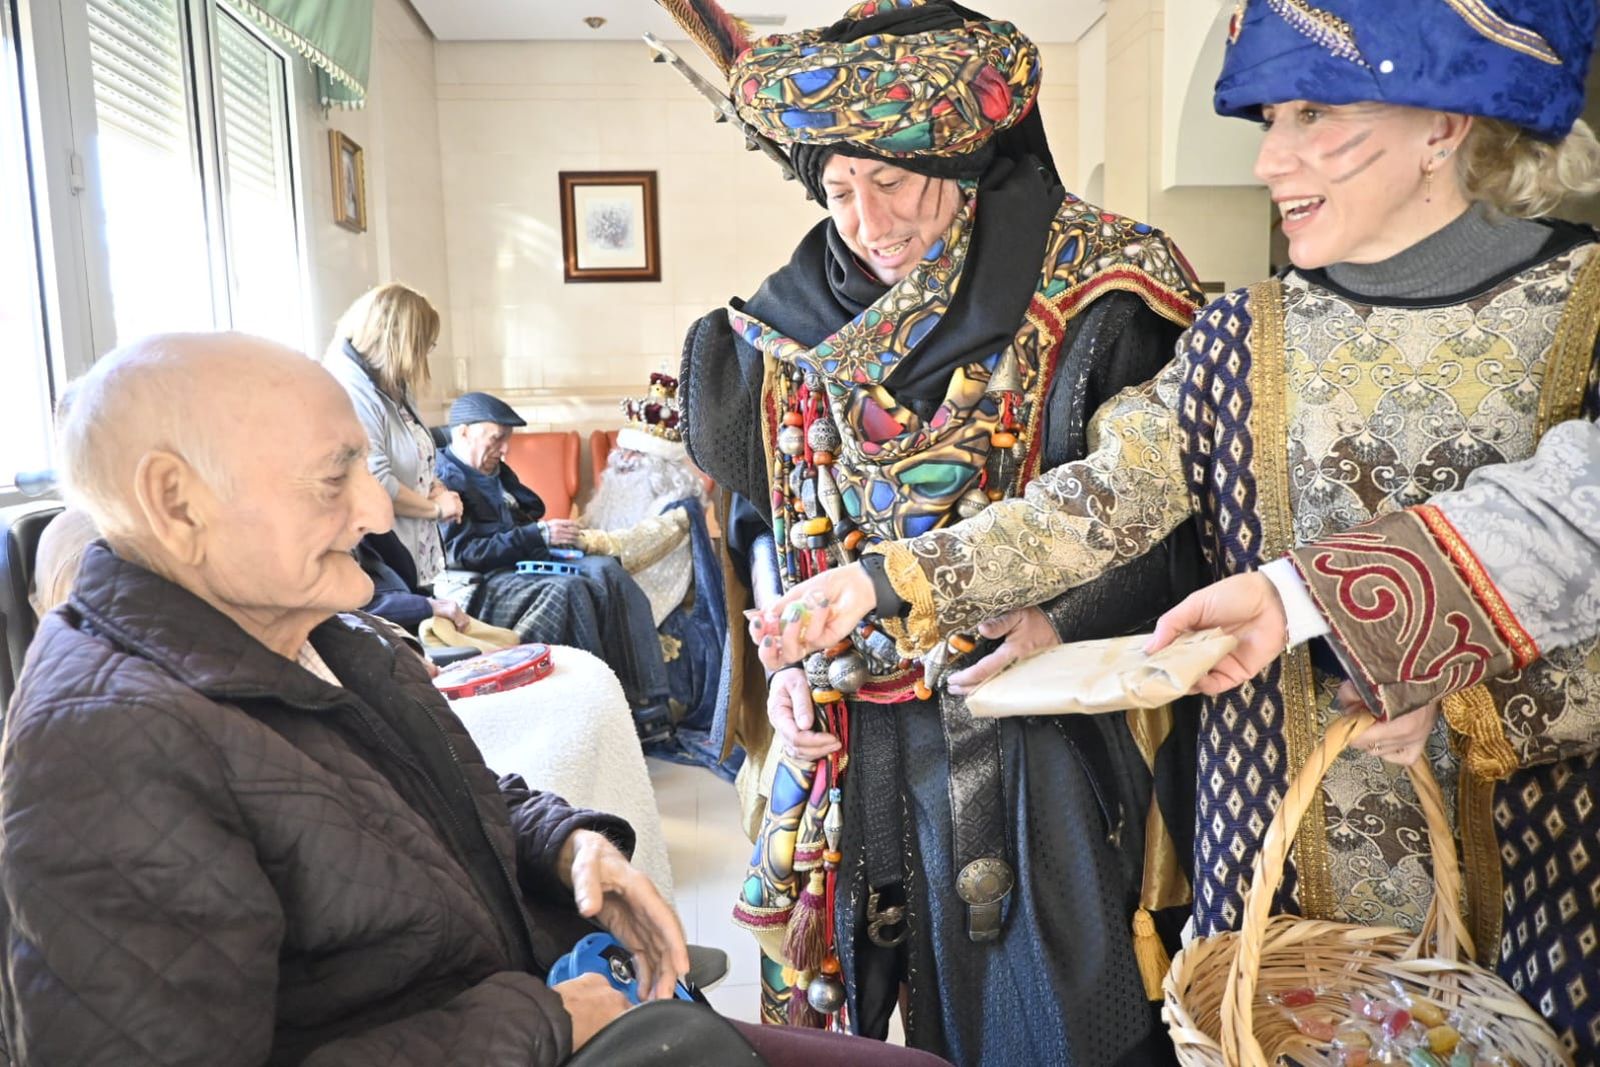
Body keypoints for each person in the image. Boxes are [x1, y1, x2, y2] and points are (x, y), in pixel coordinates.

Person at [757, 1, 1600, 1055]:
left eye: (1312, 114)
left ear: (1445, 123)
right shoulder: (1240, 330)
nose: (1267, 161)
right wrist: (889, 579)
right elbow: (1109, 492)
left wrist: (1474, 693)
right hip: (1268, 846)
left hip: (1519, 848)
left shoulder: (1585, 309)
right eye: (1266, 122)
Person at [0, 331, 952, 1067]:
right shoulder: (101, 752)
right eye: (336, 480)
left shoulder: (322, 629)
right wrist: (542, 1020)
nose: (378, 517)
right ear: (175, 501)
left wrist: (572, 843)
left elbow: (460, 793)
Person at [672, 0, 1208, 1060]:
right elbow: (770, 519)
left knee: (1051, 998)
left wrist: (1063, 621)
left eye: (894, 182)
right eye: (837, 187)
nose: (866, 222)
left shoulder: (1100, 290)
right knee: (864, 998)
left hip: (1031, 716)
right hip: (851, 724)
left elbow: (1163, 507)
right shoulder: (777, 324)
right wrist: (788, 650)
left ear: (964, 166)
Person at [1146, 417, 1600, 727]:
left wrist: (1297, 595)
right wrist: (1287, 599)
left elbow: (1578, 512)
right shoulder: (1231, 329)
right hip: (1256, 739)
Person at [434, 391, 676, 742]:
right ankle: (597, 714)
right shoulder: (446, 478)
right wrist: (537, 534)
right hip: (478, 584)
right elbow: (463, 553)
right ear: (464, 432)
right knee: (572, 589)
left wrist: (534, 527)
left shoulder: (493, 470)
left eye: (507, 440)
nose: (504, 450)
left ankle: (647, 700)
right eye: (496, 439)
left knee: (605, 569)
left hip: (515, 567)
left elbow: (529, 510)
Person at [581, 373, 739, 778]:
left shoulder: (678, 508)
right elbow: (595, 526)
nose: (622, 462)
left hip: (667, 612)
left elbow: (634, 546)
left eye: (635, 458)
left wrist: (586, 542)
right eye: (623, 454)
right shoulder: (612, 498)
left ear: (658, 466)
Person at [323, 283, 462, 587]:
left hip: (413, 546)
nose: (426, 353)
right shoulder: (350, 386)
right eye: (425, 343)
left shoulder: (392, 382)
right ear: (401, 340)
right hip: (383, 553)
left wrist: (435, 485)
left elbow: (416, 450)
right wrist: (437, 509)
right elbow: (376, 481)